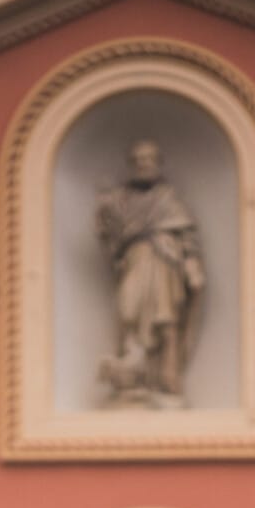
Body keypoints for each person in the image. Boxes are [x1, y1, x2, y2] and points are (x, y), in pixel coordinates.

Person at [95, 138, 205, 405]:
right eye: (139, 160)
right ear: (132, 165)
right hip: (134, 261)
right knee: (128, 315)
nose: (144, 164)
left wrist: (191, 264)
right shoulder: (119, 201)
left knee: (166, 323)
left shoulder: (169, 200)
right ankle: (129, 384)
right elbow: (108, 234)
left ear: (158, 163)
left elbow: (186, 236)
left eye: (149, 159)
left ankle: (168, 384)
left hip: (165, 263)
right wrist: (105, 212)